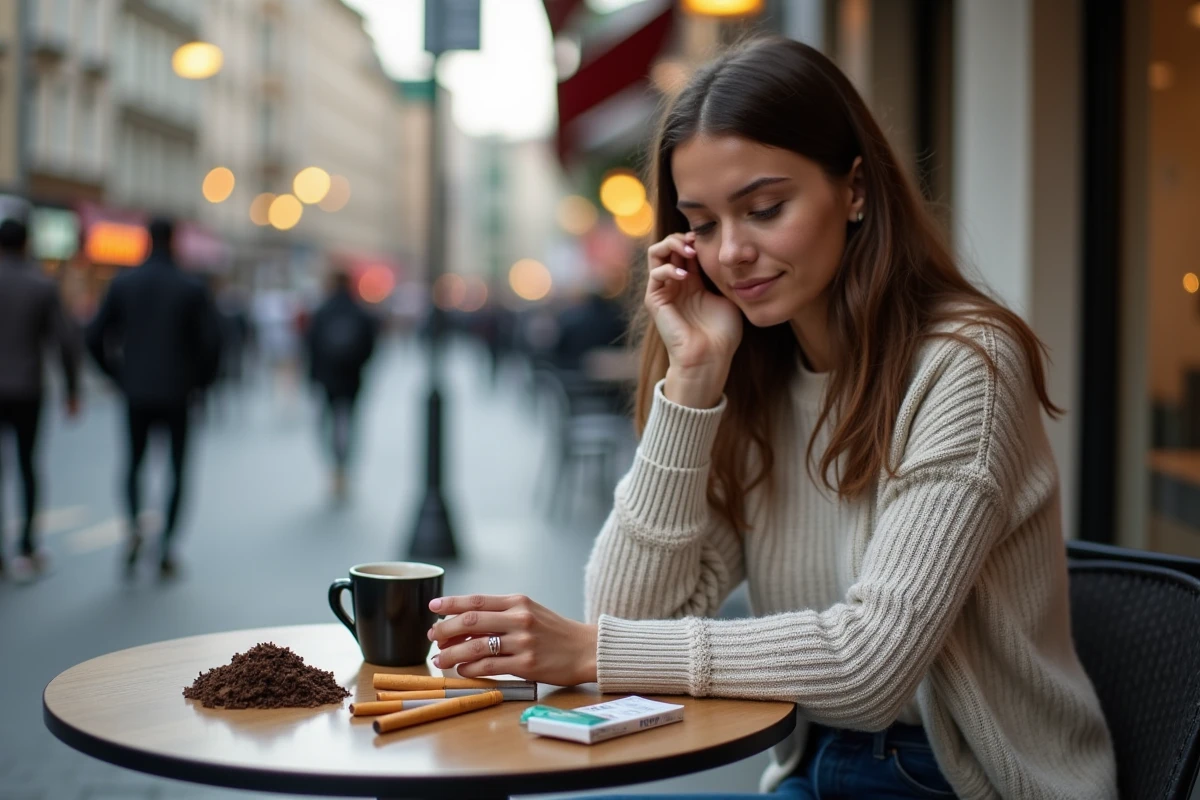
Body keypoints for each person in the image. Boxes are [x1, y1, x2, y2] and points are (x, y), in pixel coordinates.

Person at [422, 38, 1117, 799]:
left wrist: (593, 653)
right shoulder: (755, 374)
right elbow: (626, 613)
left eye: (764, 209)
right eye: (704, 223)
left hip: (968, 780)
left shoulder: (965, 365)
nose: (732, 254)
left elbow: (870, 668)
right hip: (814, 763)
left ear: (854, 189)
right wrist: (691, 382)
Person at [86, 216, 221, 579]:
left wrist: (117, 376)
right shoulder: (191, 287)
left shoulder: (124, 283)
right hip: (179, 392)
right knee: (178, 469)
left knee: (134, 463)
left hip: (137, 391)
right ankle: (166, 548)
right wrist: (200, 383)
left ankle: (133, 528)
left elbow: (94, 335)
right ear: (175, 240)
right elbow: (212, 345)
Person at [0, 217, 81, 581]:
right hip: (27, 389)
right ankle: (28, 547)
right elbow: (64, 341)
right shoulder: (41, 285)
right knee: (28, 467)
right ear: (26, 244)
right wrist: (72, 390)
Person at [304, 270, 378, 502]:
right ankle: (344, 467)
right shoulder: (360, 311)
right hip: (352, 377)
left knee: (326, 422)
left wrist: (312, 375)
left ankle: (334, 468)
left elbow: (310, 346)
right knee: (350, 422)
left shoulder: (322, 311)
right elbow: (370, 347)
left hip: (327, 377)